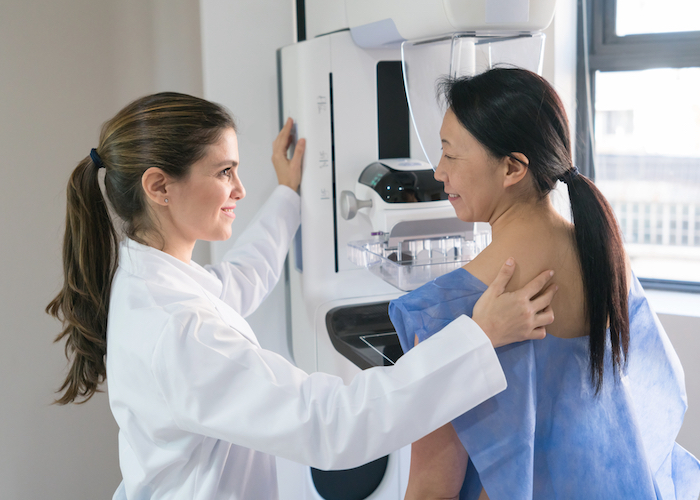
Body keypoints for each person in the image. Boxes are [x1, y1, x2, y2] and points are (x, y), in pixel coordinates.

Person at [46, 92, 558, 500]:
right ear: (160, 186)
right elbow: (330, 424)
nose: (240, 190)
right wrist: (479, 337)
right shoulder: (177, 327)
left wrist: (288, 195)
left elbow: (237, 283)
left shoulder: (151, 279)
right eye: (225, 172)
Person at [390, 68, 700, 500]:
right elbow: (654, 405)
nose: (439, 171)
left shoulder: (446, 310)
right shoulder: (605, 261)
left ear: (513, 167)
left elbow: (430, 488)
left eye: (450, 154)